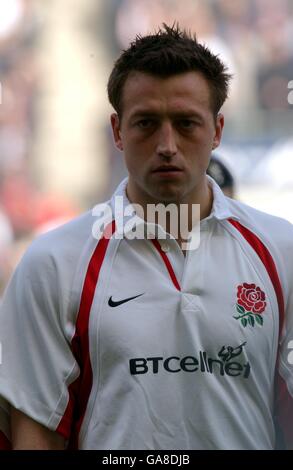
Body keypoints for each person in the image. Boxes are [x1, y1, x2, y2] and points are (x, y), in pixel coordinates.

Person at [0, 24, 293, 450]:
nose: (167, 144)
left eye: (186, 123)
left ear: (218, 130)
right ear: (118, 131)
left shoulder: (283, 252)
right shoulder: (53, 264)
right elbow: (34, 435)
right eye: (147, 123)